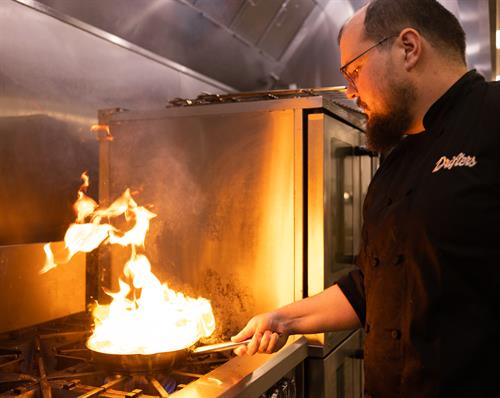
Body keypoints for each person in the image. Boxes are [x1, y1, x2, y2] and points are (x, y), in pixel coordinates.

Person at [231, 0, 500, 397]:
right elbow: (370, 284)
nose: (350, 91)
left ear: (408, 48)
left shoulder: (493, 117)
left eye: (354, 71)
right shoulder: (397, 160)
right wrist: (282, 319)